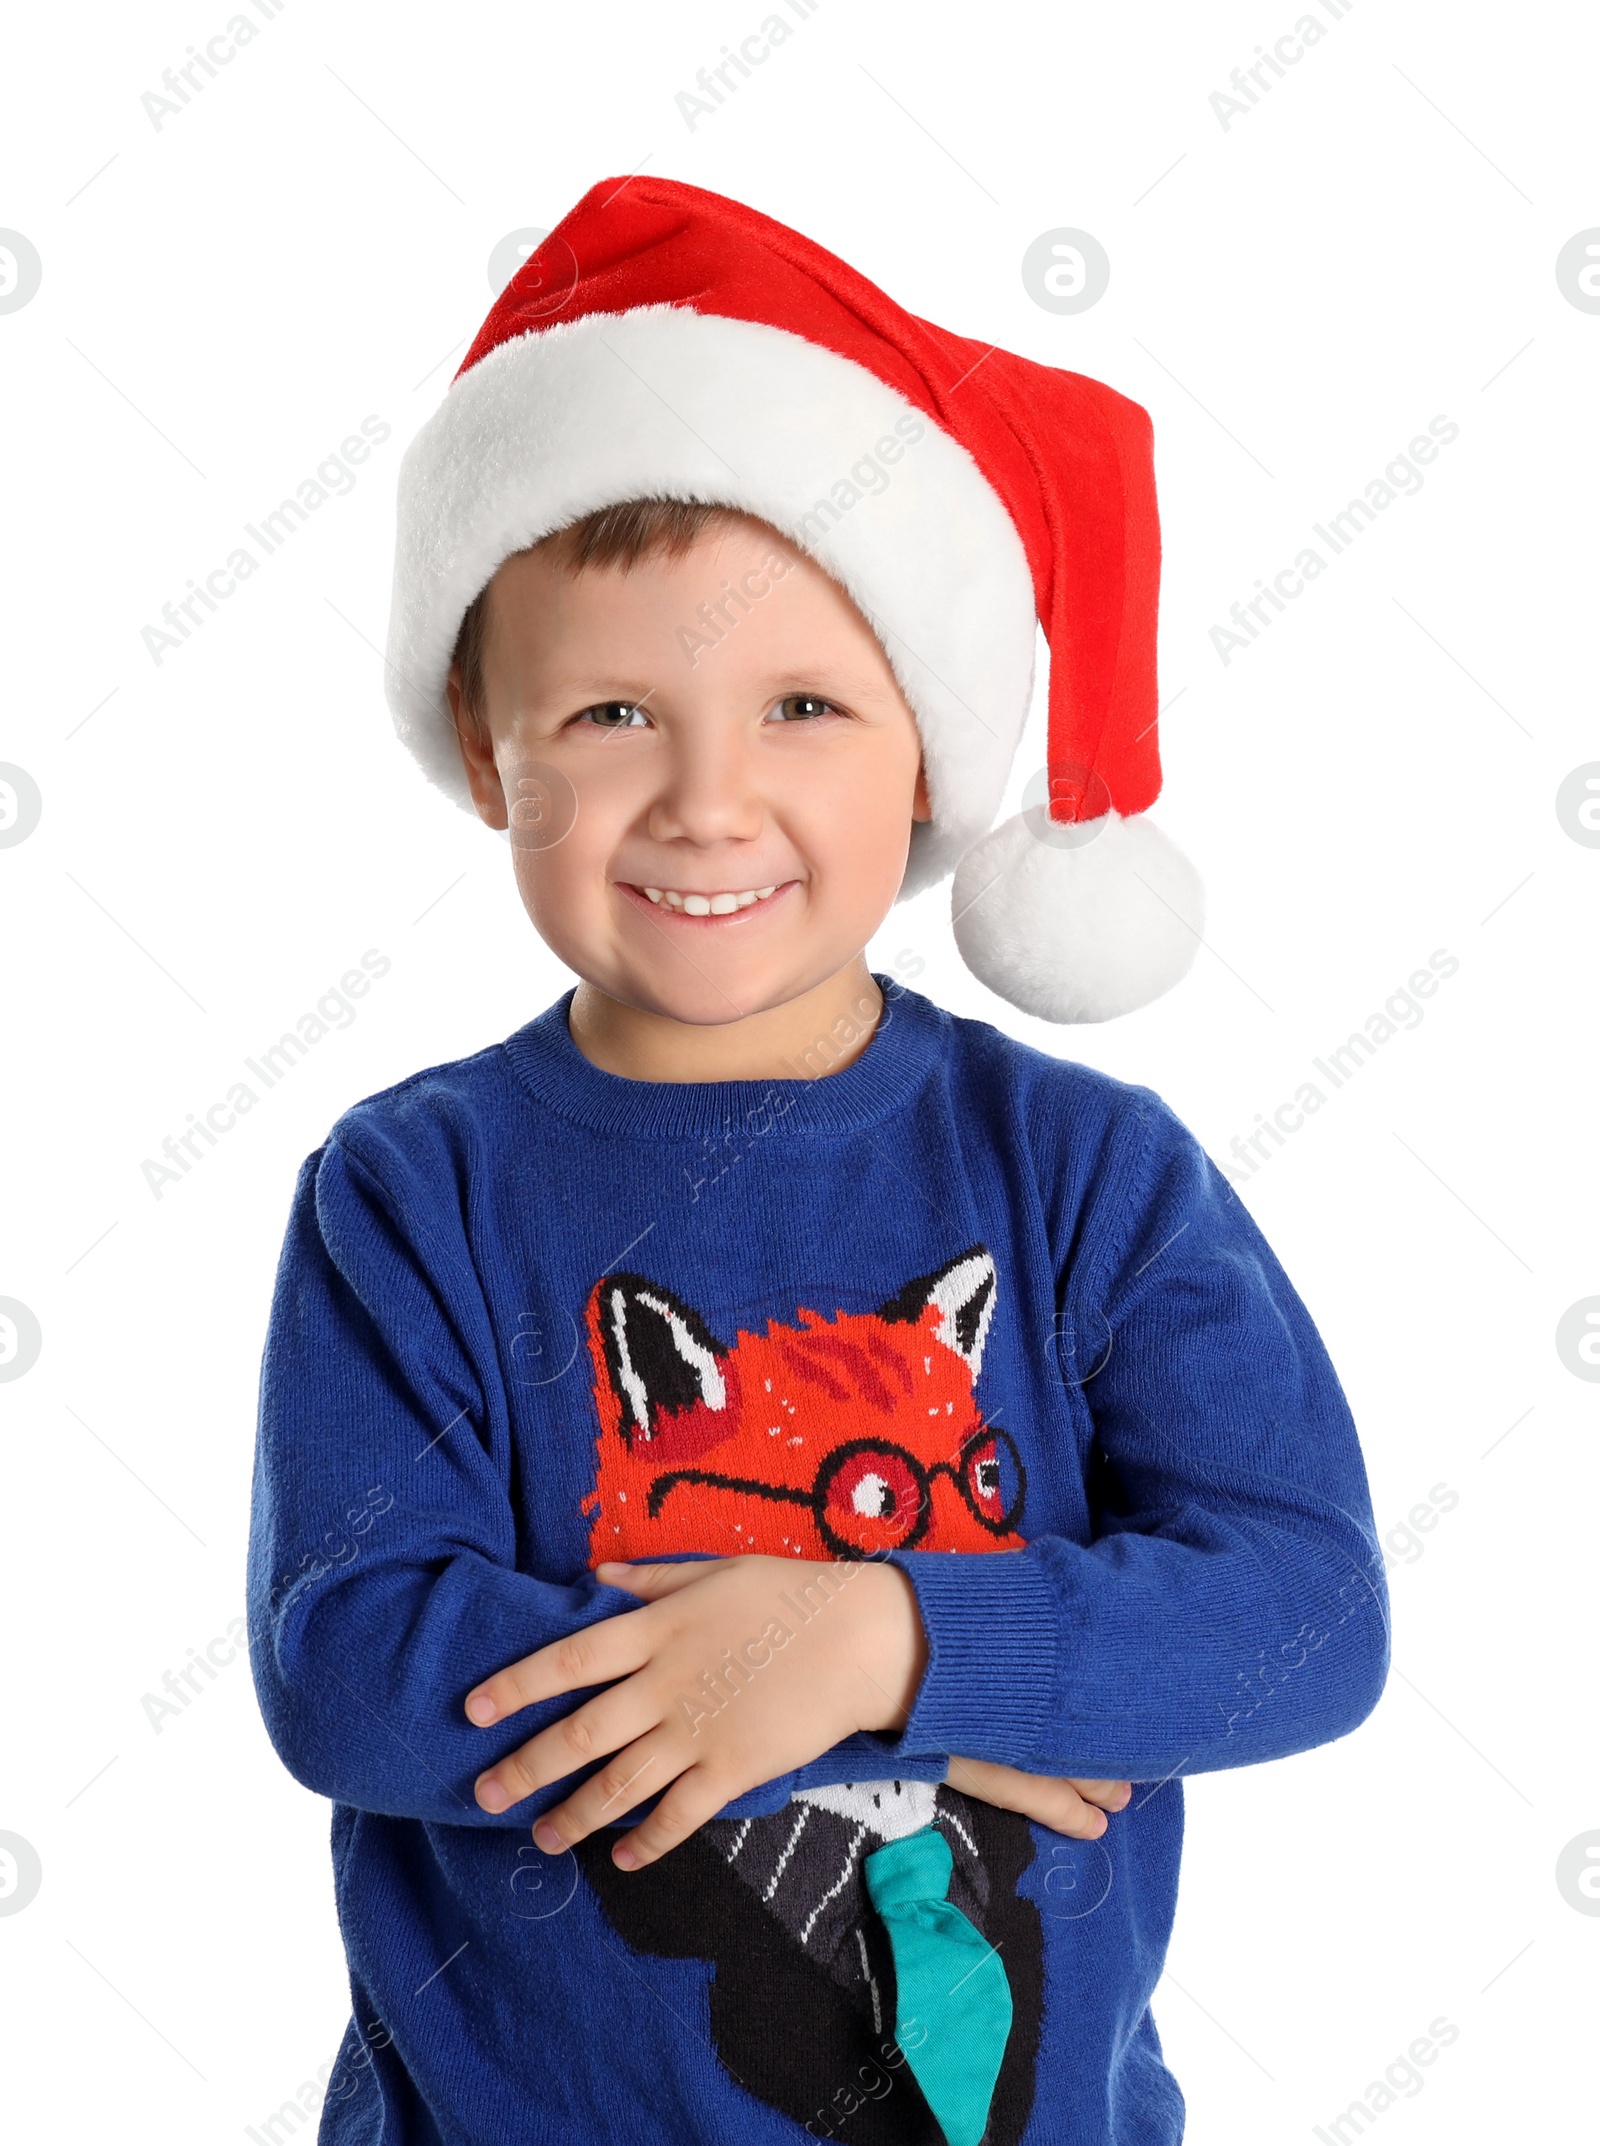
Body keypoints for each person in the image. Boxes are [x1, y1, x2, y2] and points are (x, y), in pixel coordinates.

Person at [246, 175, 1390, 2146]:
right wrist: (811, 1679)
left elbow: (1298, 1613)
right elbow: (348, 1665)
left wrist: (888, 1644)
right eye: (613, 709)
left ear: (928, 750)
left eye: (801, 706)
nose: (708, 800)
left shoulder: (1084, 1175)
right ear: (485, 734)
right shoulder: (407, 1186)